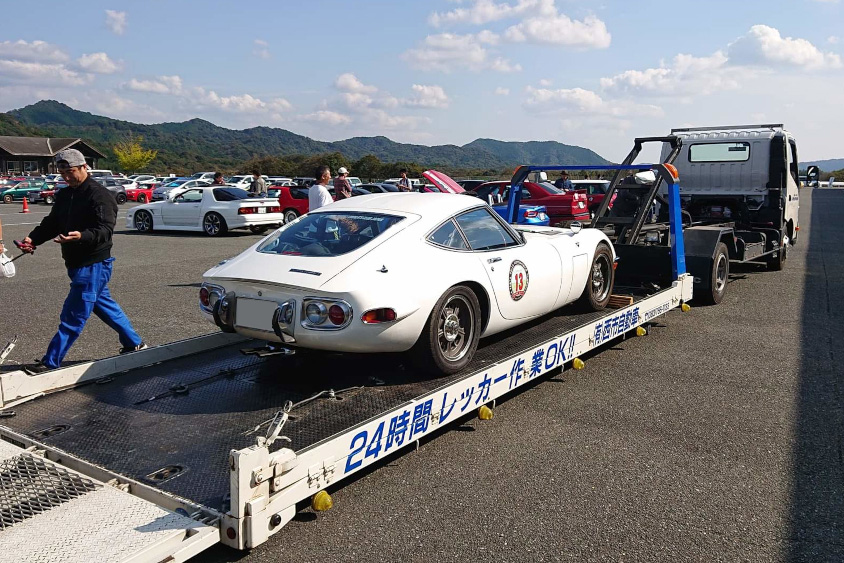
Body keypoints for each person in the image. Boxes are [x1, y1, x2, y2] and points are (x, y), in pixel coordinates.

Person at [18, 149, 146, 374]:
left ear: (84, 167)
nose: (66, 177)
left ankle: (51, 362)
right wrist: (33, 239)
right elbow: (52, 223)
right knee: (103, 305)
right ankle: (134, 343)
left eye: (70, 172)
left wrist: (81, 236)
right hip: (75, 263)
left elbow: (105, 229)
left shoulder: (100, 195)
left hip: (94, 264)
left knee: (73, 314)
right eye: (62, 173)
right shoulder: (65, 195)